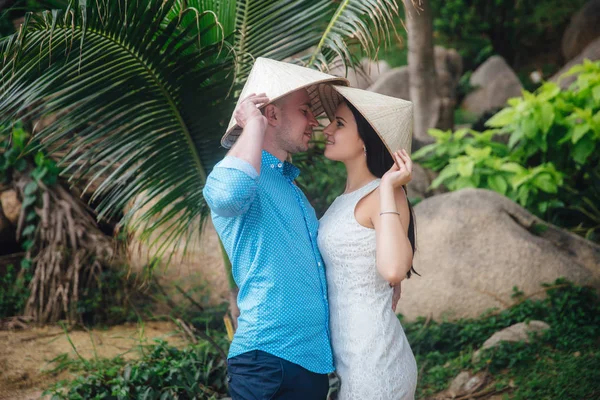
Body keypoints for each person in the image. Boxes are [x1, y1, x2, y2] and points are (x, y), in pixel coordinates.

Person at [202, 57, 349, 399]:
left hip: (310, 364)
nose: (315, 121)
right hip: (267, 360)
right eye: (305, 110)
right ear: (271, 115)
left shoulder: (290, 188)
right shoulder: (233, 175)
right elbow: (227, 197)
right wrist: (251, 126)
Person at [317, 85, 419, 399]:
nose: (327, 130)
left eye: (339, 124)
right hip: (347, 358)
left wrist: (389, 186)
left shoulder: (385, 194)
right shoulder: (340, 202)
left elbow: (392, 271)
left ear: (366, 139)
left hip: (375, 363)